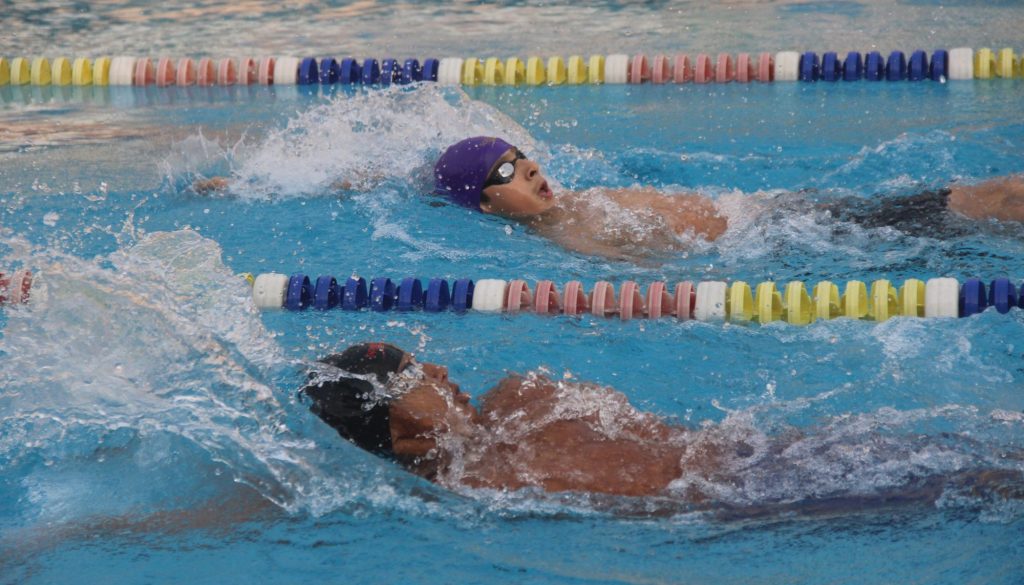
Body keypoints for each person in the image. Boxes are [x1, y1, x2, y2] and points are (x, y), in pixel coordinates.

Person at [302, 342, 1024, 508]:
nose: (441, 374)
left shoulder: (520, 397)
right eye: (415, 381)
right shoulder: (487, 483)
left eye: (425, 361)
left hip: (782, 448)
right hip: (773, 498)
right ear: (398, 433)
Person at [432, 136, 1024, 260]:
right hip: (791, 239)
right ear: (486, 204)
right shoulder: (569, 237)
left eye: (521, 154)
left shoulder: (579, 203)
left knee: (982, 203)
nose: (528, 166)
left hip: (784, 214)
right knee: (990, 200)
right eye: (505, 169)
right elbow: (653, 281)